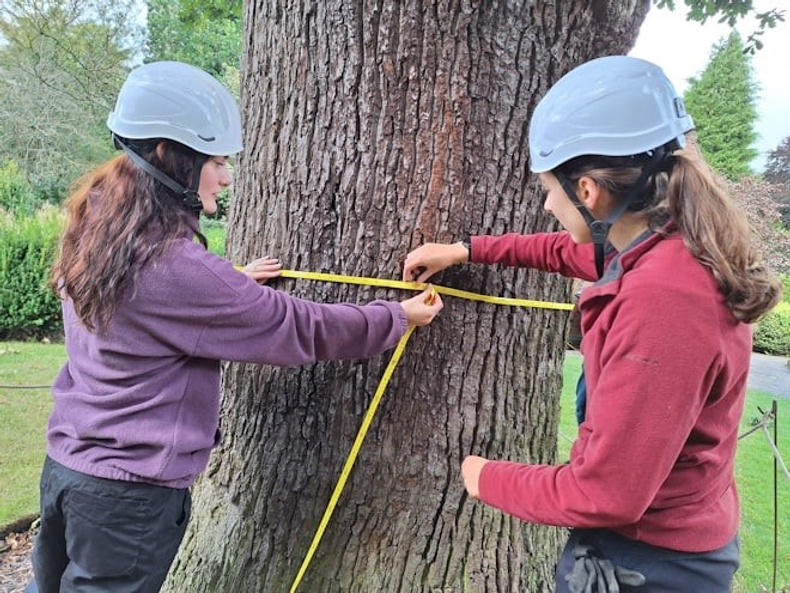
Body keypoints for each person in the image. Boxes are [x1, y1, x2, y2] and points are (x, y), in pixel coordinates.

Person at [27, 60, 443, 593]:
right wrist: (395, 316)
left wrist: (229, 287)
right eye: (217, 161)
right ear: (169, 158)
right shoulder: (173, 267)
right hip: (128, 494)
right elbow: (297, 327)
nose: (225, 176)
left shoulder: (95, 228)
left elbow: (151, 312)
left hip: (68, 469)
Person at [403, 55, 782, 592]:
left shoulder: (666, 302)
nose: (548, 205)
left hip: (650, 566)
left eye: (549, 189)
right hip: (658, 545)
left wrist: (482, 476)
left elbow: (605, 493)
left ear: (587, 191)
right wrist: (466, 250)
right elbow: (571, 251)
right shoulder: (666, 245)